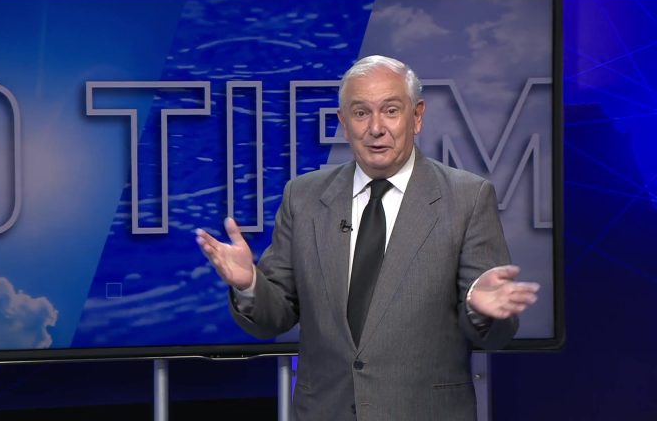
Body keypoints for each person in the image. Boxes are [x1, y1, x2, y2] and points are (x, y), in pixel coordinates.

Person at [196, 55, 539, 421]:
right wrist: (249, 284)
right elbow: (274, 317)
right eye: (361, 113)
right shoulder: (304, 197)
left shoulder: (467, 198)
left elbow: (496, 335)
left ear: (416, 116)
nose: (376, 128)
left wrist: (478, 308)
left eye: (391, 111)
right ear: (344, 123)